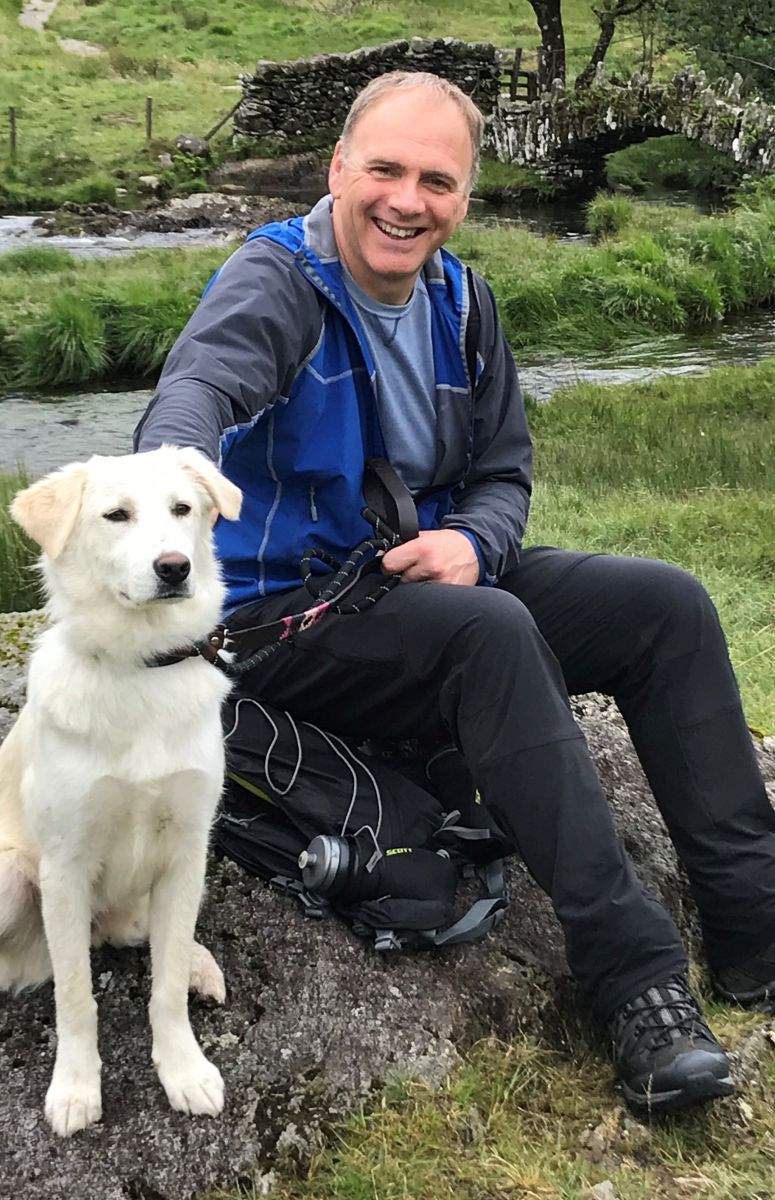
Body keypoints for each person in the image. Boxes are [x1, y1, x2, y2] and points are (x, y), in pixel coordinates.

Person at [134, 71, 775, 1114]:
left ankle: (752, 930)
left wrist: (475, 538)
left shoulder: (461, 301)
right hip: (279, 617)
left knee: (665, 604)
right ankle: (640, 986)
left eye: (436, 179)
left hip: (419, 584)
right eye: (383, 169)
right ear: (338, 169)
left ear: (464, 196)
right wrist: (168, 479)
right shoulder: (276, 282)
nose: (406, 199)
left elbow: (502, 474)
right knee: (491, 634)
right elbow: (200, 387)